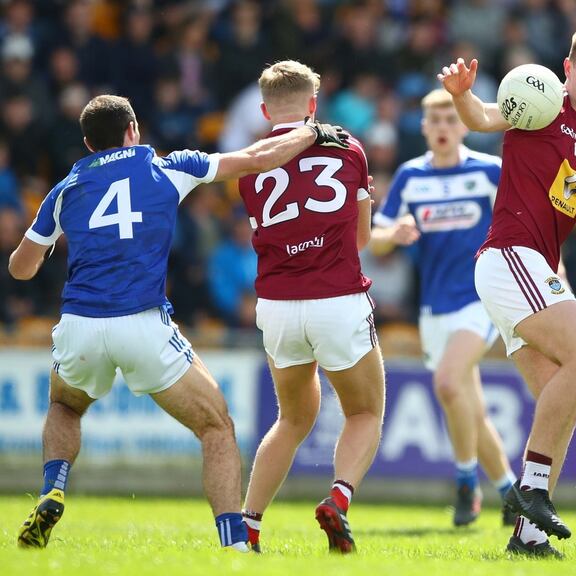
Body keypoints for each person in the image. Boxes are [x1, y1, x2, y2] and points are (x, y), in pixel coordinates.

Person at [9, 94, 347, 551]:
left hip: (80, 325)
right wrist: (311, 130)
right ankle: (234, 545)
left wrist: (49, 242)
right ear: (134, 129)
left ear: (89, 143)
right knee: (216, 428)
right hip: (142, 324)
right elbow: (256, 158)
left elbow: (20, 268)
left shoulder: (66, 188)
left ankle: (54, 486)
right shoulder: (168, 167)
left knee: (65, 406)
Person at [438, 26, 576, 557]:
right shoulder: (541, 99)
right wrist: (461, 95)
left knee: (563, 394)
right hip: (509, 257)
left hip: (527, 269)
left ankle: (527, 539)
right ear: (568, 69)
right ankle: (529, 490)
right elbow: (482, 118)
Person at [236, 60, 384, 555]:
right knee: (364, 411)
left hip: (277, 304)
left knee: (292, 419)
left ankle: (249, 527)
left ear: (263, 109)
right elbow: (363, 236)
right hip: (337, 297)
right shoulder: (349, 148)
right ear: (313, 105)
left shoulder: (251, 163)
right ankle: (338, 500)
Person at [369, 88, 517, 527]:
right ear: (423, 128)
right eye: (434, 121)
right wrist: (394, 233)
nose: (443, 128)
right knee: (470, 405)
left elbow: (525, 226)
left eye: (451, 119)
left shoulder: (490, 171)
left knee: (450, 384)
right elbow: (373, 240)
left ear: (465, 125)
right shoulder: (410, 177)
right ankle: (511, 493)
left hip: (481, 299)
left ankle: (465, 482)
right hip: (433, 306)